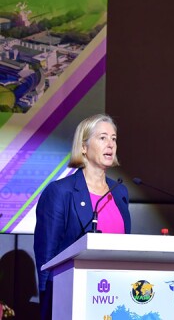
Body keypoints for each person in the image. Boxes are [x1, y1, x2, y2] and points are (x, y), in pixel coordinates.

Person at [33, 114, 130, 320]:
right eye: (102, 138)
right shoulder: (61, 192)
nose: (110, 144)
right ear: (83, 147)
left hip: (115, 298)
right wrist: (49, 303)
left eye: (114, 138)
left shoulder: (120, 192)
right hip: (74, 297)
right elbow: (46, 257)